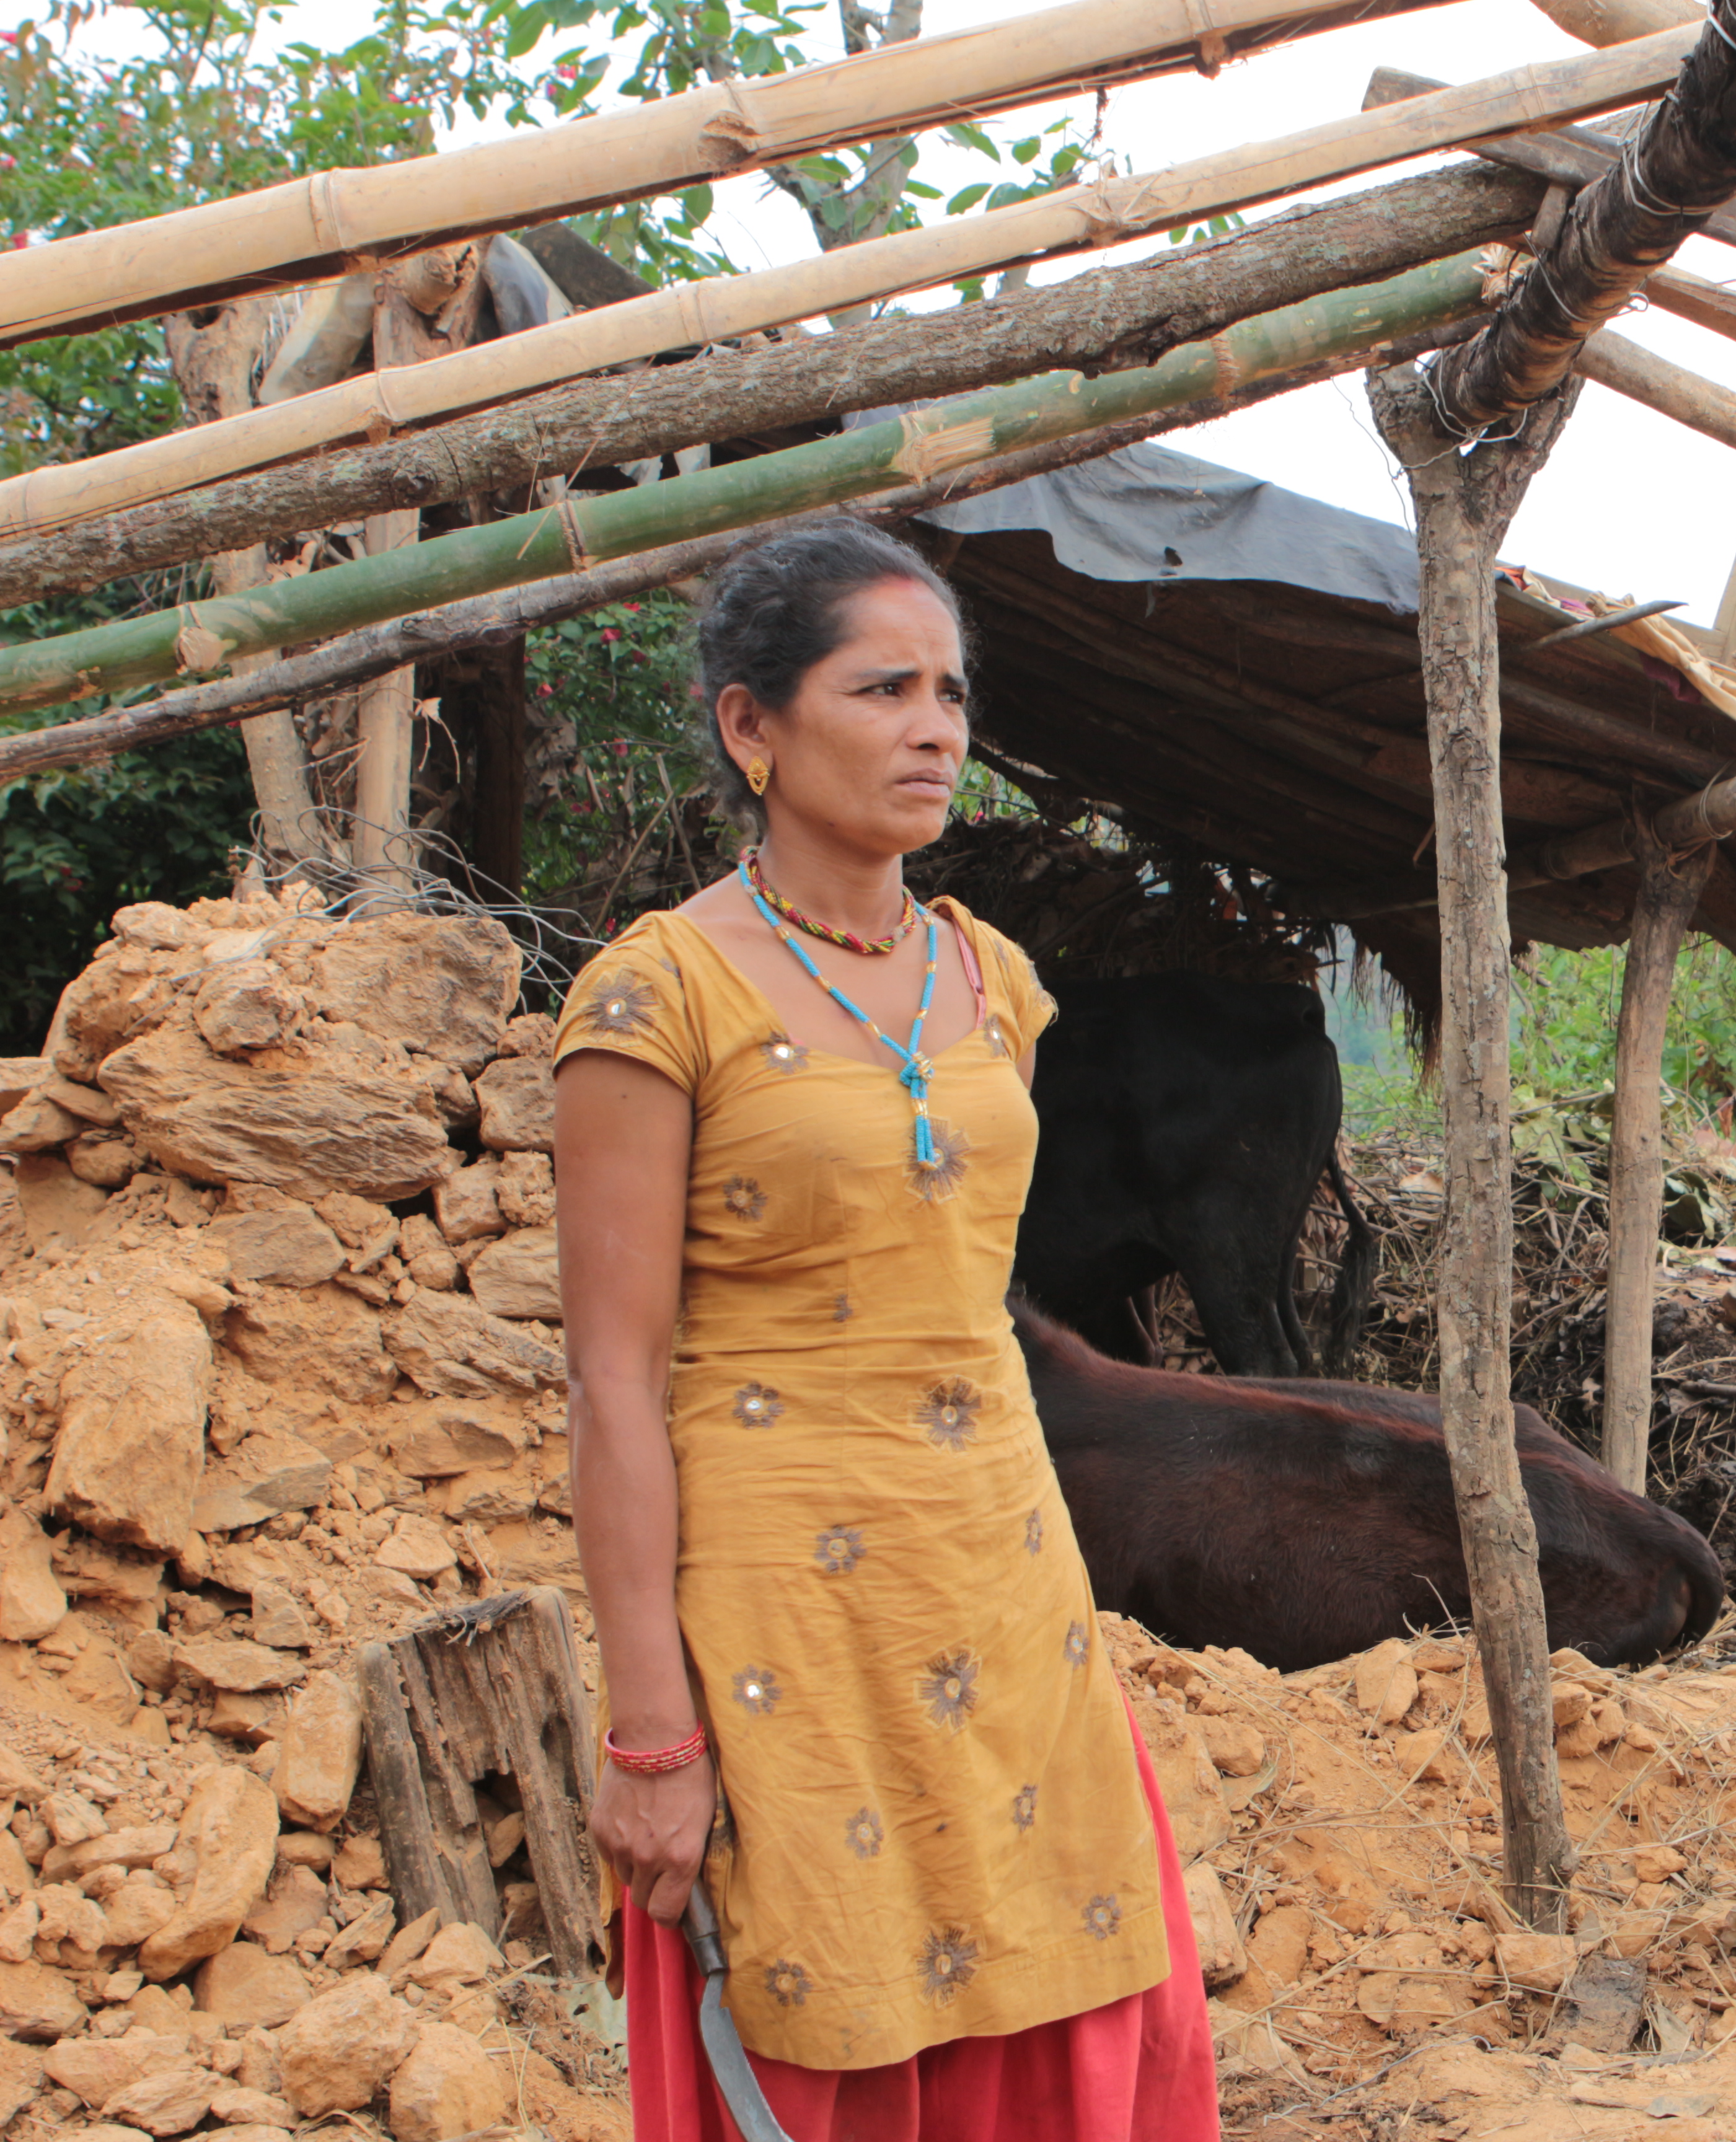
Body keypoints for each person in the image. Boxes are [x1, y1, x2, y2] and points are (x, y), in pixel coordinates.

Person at [556, 520, 1217, 2140]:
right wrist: (652, 1729)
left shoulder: (994, 982)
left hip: (1002, 1579)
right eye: (884, 688)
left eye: (951, 692)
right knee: (820, 2005)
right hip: (785, 1611)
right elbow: (612, 1377)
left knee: (1068, 1982)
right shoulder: (657, 1002)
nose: (937, 727)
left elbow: (961, 1284)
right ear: (751, 728)